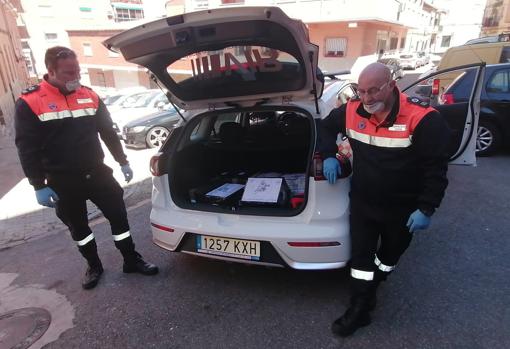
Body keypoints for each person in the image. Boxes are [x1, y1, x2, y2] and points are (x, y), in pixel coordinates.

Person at [319, 62, 450, 336]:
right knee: (360, 260)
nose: (367, 99)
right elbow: (325, 128)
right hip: (364, 203)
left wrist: (427, 207)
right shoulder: (353, 110)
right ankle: (358, 309)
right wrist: (329, 155)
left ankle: (373, 287)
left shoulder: (422, 118)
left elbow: (435, 168)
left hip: (402, 209)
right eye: (362, 91)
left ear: (392, 85)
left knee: (388, 258)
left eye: (374, 91)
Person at [14, 46, 158, 290]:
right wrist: (38, 185)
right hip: (62, 180)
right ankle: (94, 266)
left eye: (77, 71)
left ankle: (131, 259)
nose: (75, 77)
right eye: (69, 72)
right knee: (79, 228)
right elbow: (26, 148)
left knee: (119, 217)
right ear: (50, 71)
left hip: (97, 172)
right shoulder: (30, 101)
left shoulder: (89, 95)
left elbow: (108, 132)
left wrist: (122, 160)